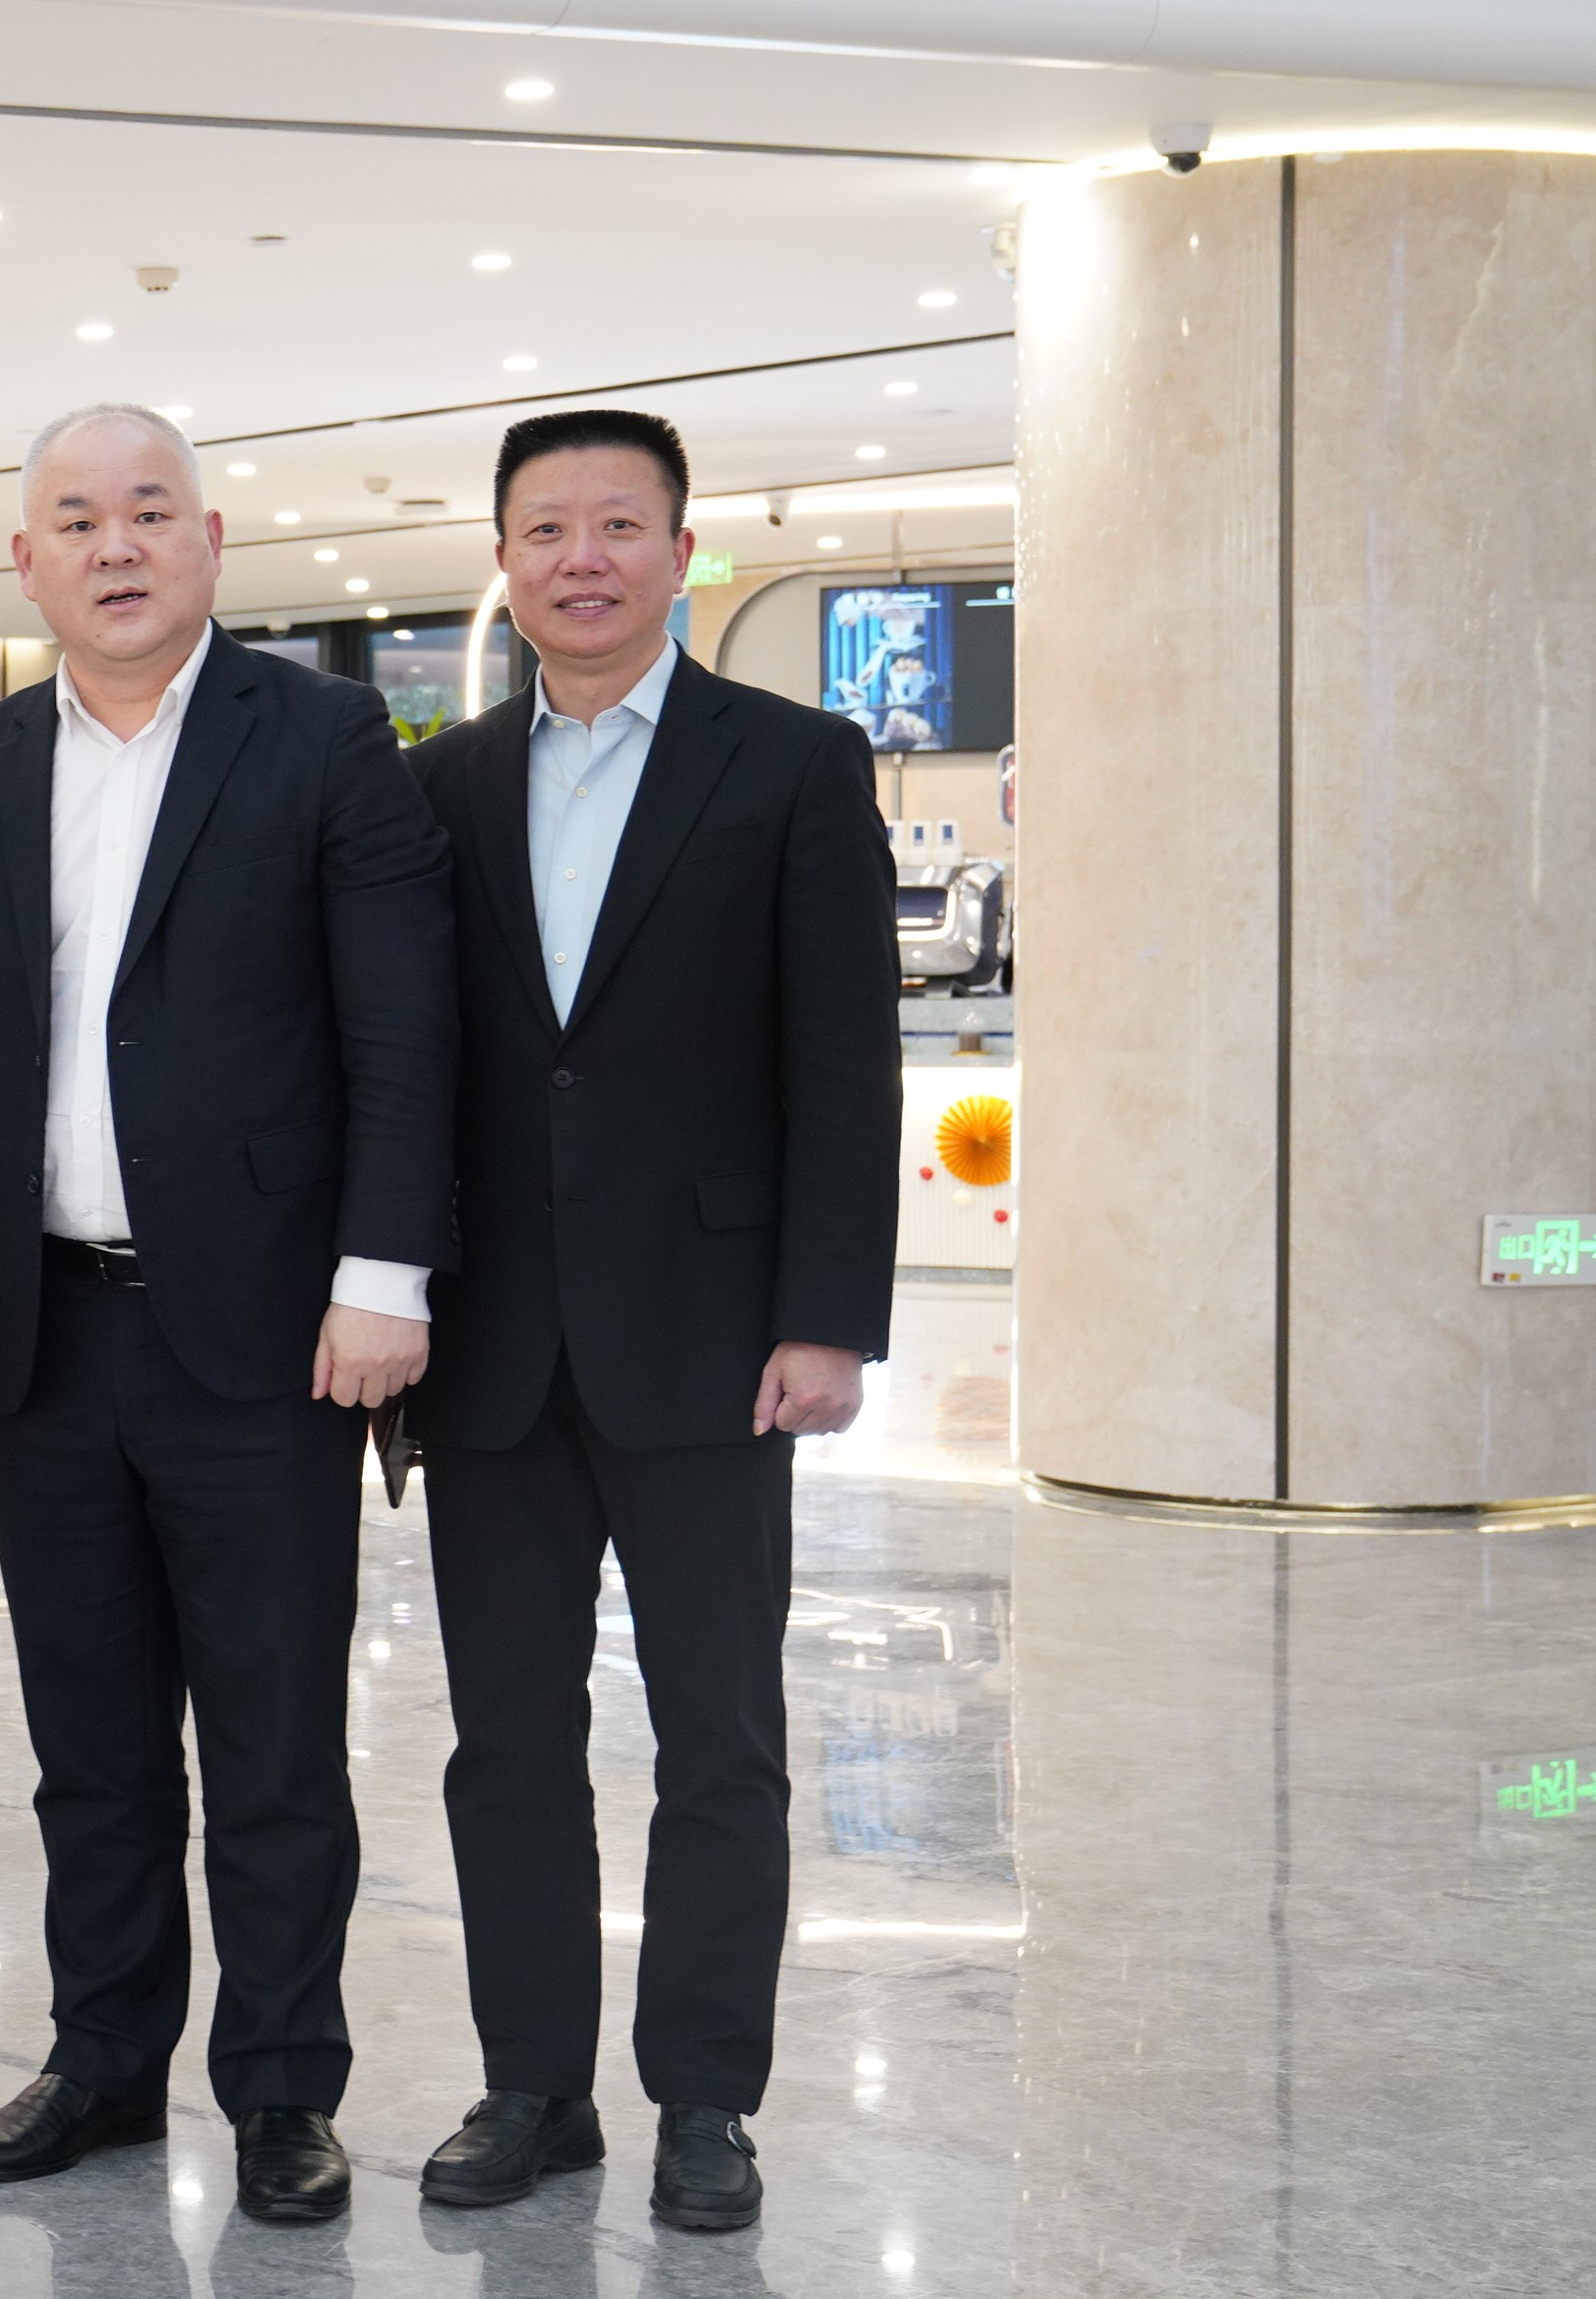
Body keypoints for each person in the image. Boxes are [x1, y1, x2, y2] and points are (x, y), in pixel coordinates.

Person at [0, 403, 457, 2225]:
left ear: (210, 541)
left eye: (150, 510)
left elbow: (401, 1028)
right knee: (93, 1743)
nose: (116, 544)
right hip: (48, 1331)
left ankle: (284, 2085)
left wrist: (382, 1278)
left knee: (276, 1741)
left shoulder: (322, 735)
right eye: (77, 518)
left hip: (268, 1337)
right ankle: (104, 2059)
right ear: (27, 562)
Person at [397, 407, 897, 2233]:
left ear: (683, 554)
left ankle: (704, 2097)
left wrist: (828, 1316)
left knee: (721, 1741)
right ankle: (534, 2083)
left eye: (619, 525)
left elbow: (844, 1060)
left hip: (712, 1336)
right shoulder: (442, 785)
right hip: (492, 1350)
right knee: (506, 1741)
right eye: (547, 529)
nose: (583, 558)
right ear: (505, 562)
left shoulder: (792, 763)